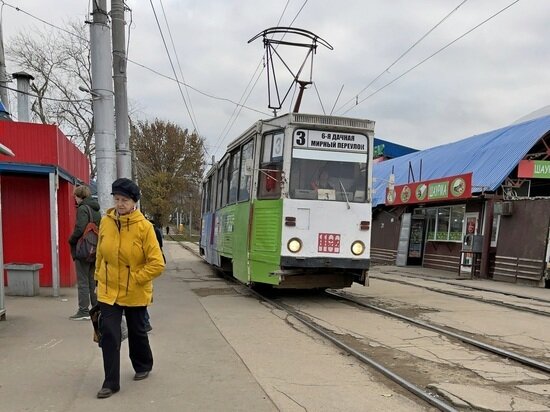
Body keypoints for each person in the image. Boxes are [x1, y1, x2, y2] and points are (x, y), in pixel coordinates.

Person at [94, 178, 165, 399]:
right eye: (116, 199)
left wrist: (136, 278)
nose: (120, 204)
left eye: (124, 200)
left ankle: (143, 364)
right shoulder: (106, 221)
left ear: (134, 202)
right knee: (110, 335)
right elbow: (100, 254)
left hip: (134, 290)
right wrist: (98, 279)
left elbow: (157, 263)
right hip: (108, 291)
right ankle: (110, 383)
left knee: (137, 332)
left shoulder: (144, 227)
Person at [67, 185, 101, 320]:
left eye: (75, 196)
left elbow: (80, 228)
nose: (74, 199)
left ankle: (83, 310)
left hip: (83, 249)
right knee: (93, 280)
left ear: (79, 196)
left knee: (82, 281)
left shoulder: (82, 209)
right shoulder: (96, 209)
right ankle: (96, 308)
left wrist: (72, 239)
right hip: (95, 249)